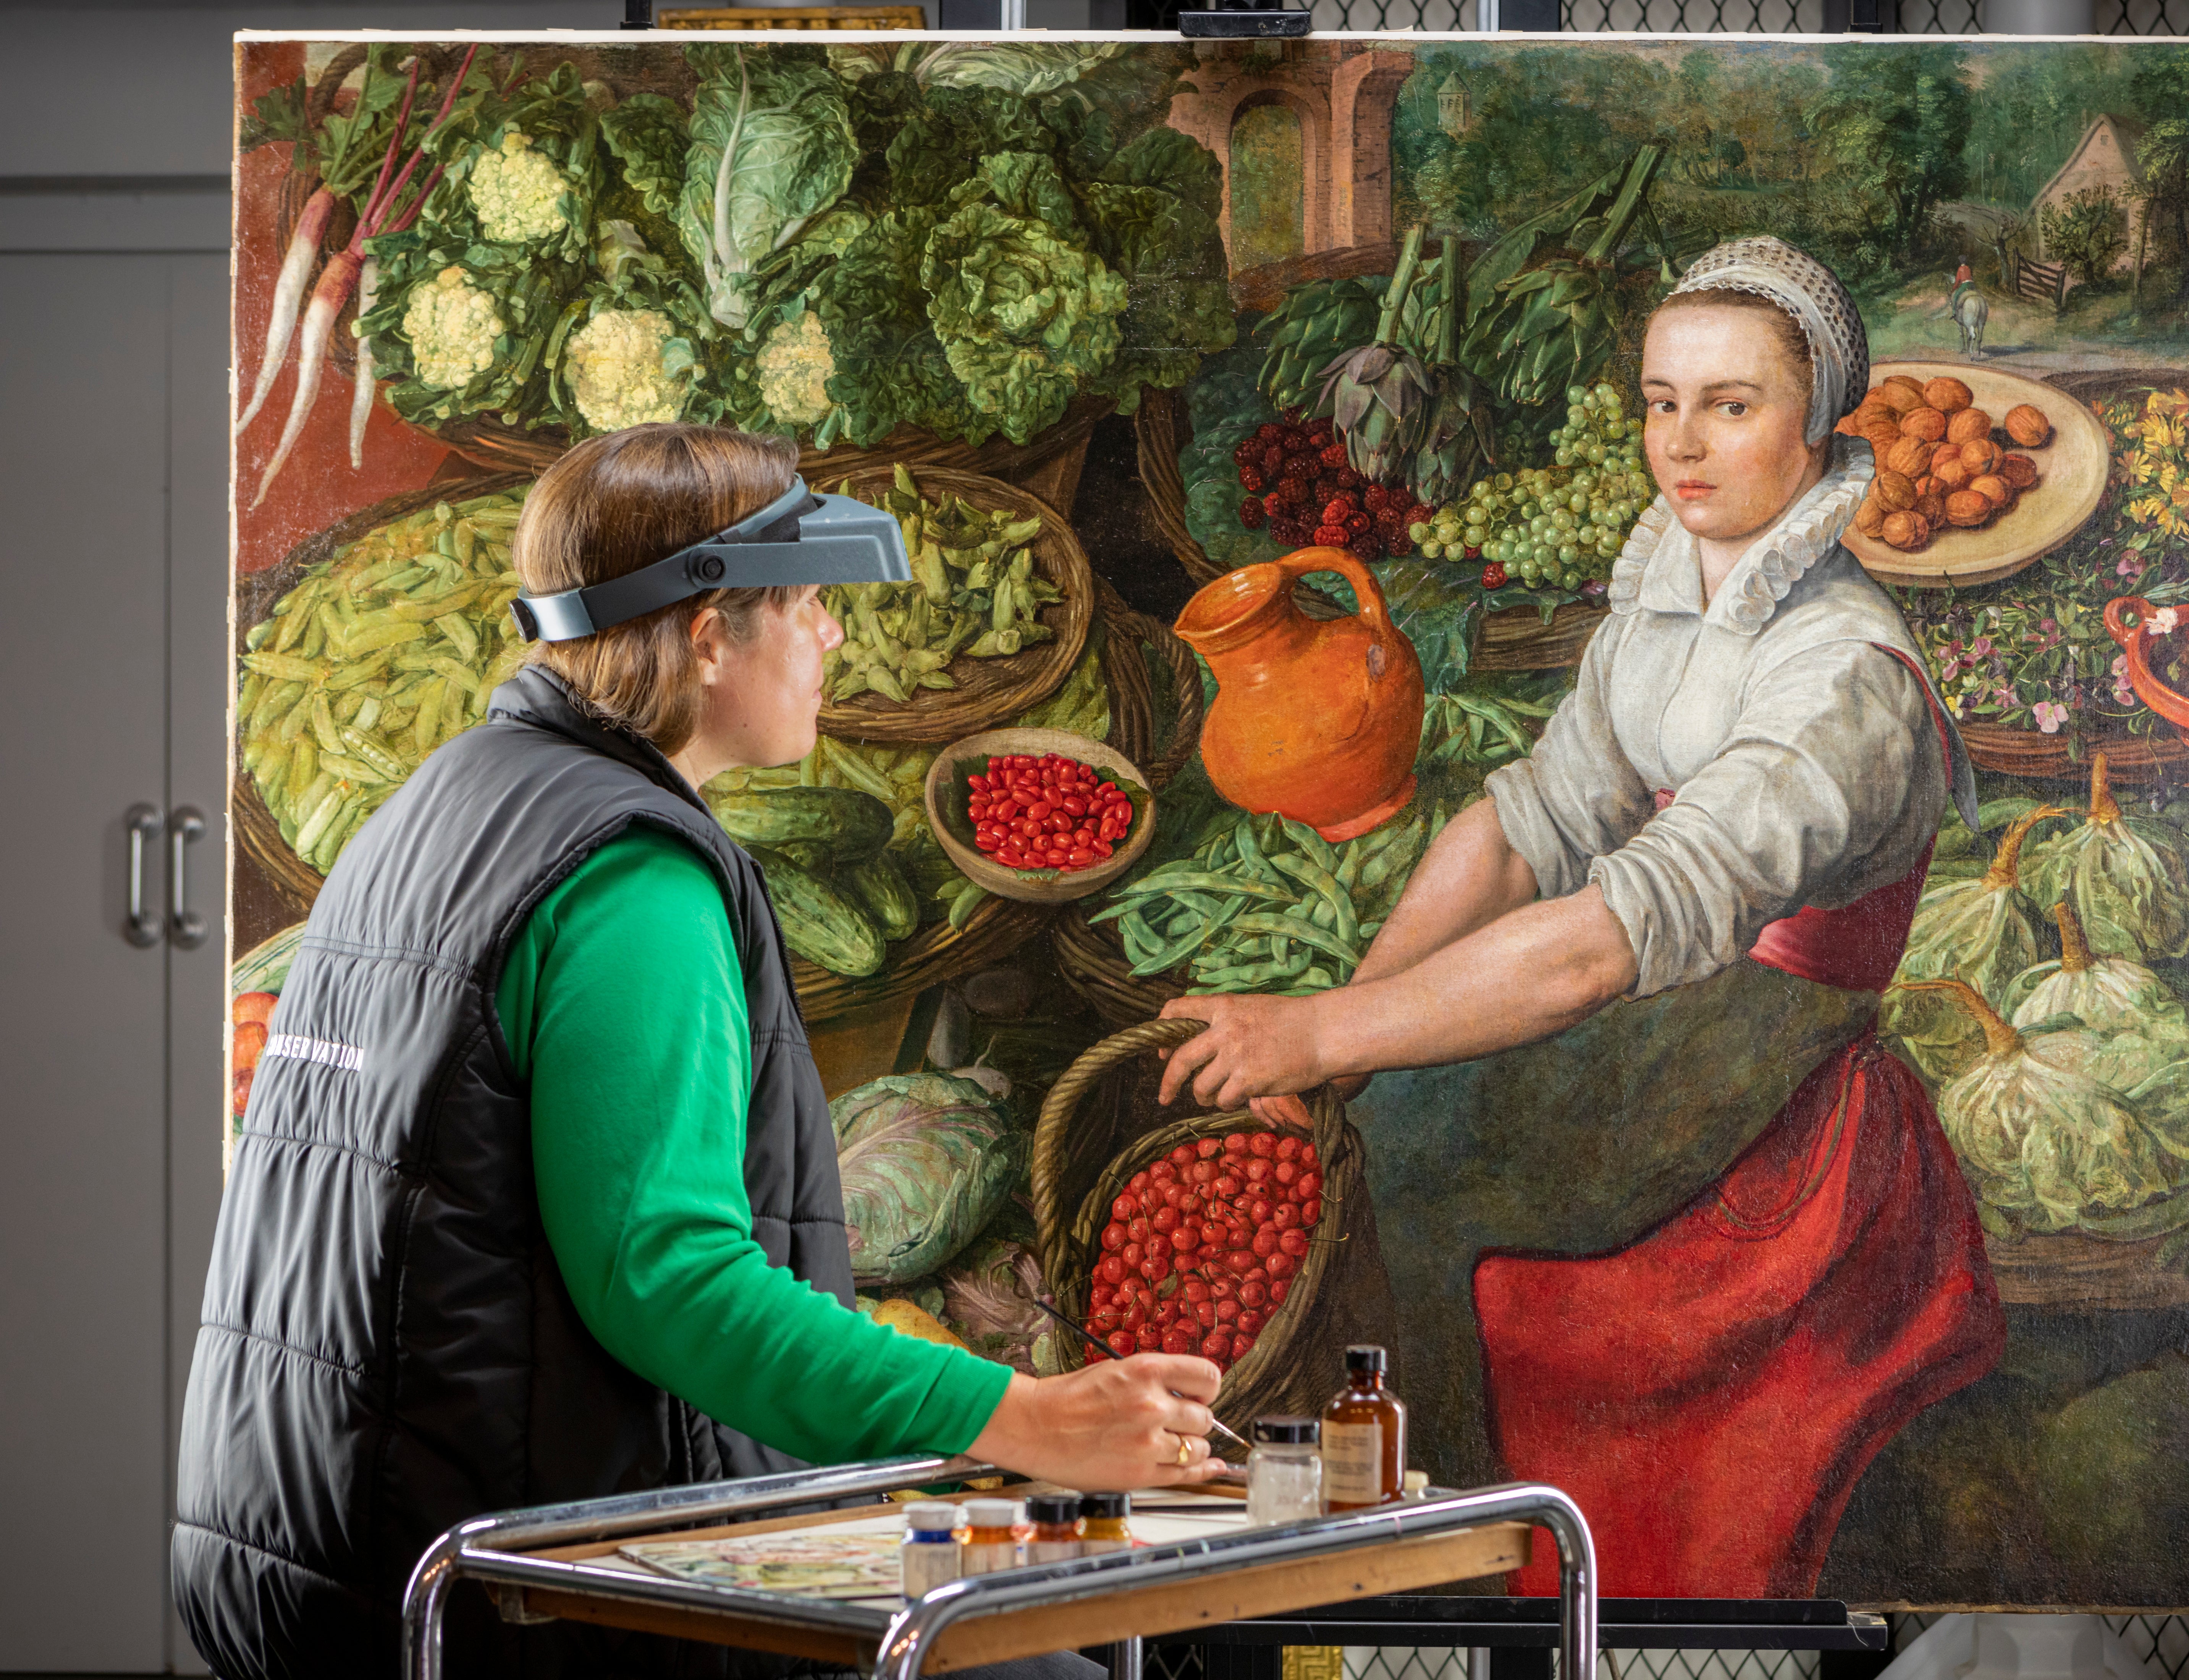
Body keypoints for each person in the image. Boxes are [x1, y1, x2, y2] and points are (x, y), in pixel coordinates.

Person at [176, 425, 1222, 1680]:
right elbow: (667, 1279)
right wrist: (1028, 1416)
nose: (835, 637)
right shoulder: (627, 877)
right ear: (711, 632)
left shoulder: (437, 808)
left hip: (313, 1556)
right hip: (504, 1591)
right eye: (810, 604)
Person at [1153, 236, 2006, 1596]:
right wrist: (1350, 1040)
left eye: (1731, 404)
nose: (1684, 441)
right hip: (1657, 1010)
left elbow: (1612, 931)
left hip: (1770, 1061)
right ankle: (1414, 1548)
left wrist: (1319, 1031)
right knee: (1389, 1127)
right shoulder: (1666, 599)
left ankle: (1486, 1568)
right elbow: (1529, 826)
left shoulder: (1844, 679)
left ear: (1817, 421)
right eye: (1662, 400)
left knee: (1434, 1197)